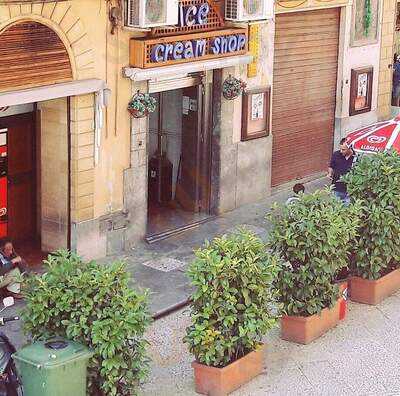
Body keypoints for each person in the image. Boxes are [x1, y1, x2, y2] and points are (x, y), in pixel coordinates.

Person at [328, 138, 356, 206]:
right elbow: (331, 166)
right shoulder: (336, 154)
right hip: (336, 188)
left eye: (343, 149)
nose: (341, 151)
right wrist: (329, 173)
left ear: (350, 148)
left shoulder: (356, 158)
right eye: (340, 149)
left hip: (349, 191)